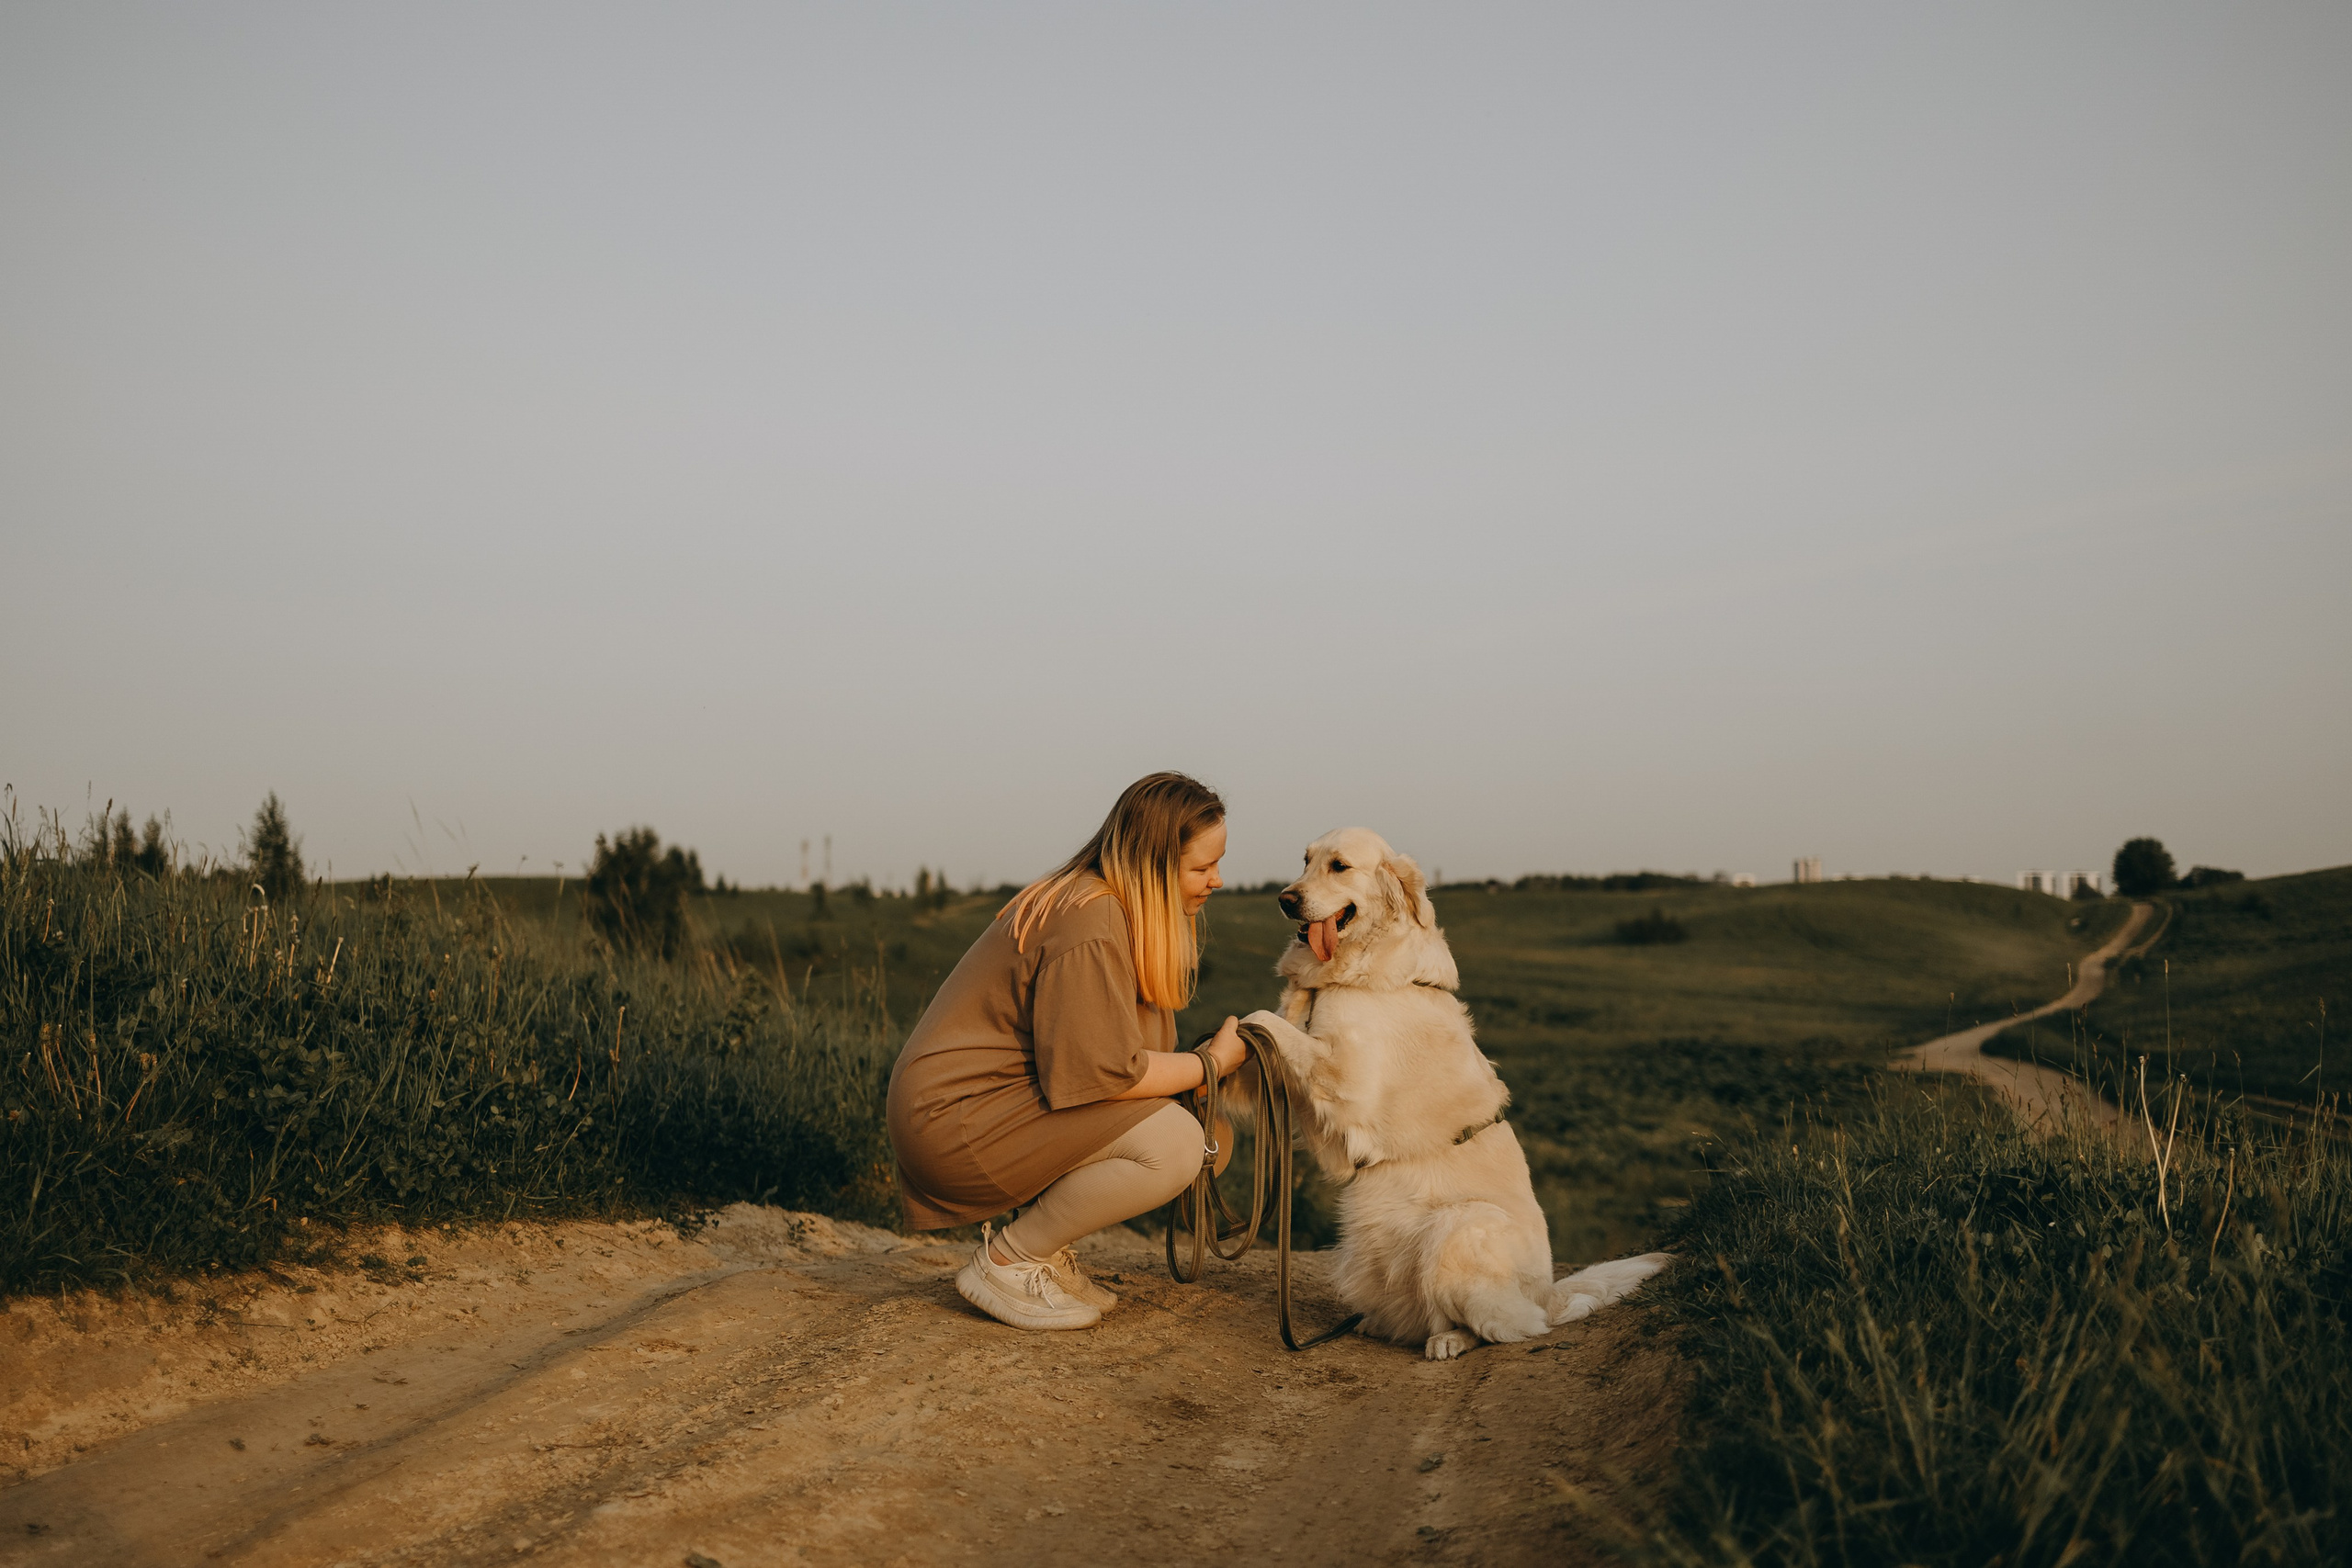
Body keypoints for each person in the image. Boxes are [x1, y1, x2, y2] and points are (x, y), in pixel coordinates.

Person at [887, 772, 1247, 1331]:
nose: (1217, 880)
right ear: (1153, 863)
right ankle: (1011, 1259)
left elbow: (1114, 1059)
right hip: (956, 1123)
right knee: (1182, 1143)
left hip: (985, 1109)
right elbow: (1106, 1074)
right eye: (1201, 868)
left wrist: (1196, 1076)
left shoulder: (1109, 909)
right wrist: (1211, 1064)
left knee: (1208, 1136)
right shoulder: (1092, 921)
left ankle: (1042, 1250)